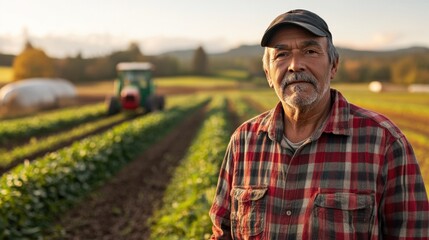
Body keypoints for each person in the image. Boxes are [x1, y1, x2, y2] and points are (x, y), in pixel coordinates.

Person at [209, 9, 429, 239]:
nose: (295, 65)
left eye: (310, 51)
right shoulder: (244, 141)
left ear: (333, 66)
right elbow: (222, 232)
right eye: (281, 55)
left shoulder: (384, 142)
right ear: (267, 74)